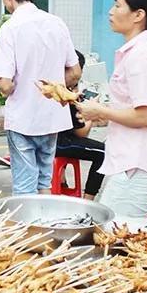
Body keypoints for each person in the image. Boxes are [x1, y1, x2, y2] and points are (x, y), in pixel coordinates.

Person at [76, 0, 147, 217]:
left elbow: (145, 115)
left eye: (118, 5)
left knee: (116, 236)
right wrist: (102, 112)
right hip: (131, 162)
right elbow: (132, 107)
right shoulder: (138, 51)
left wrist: (101, 112)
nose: (111, 11)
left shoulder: (142, 56)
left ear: (138, 14)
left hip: (138, 165)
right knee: (115, 235)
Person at [0, 0, 81, 195]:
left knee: (24, 186)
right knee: (44, 182)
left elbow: (6, 86)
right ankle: (45, 226)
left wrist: (1, 83)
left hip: (23, 118)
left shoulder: (9, 29)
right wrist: (55, 87)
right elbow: (75, 72)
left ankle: (28, 229)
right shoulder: (57, 23)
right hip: (51, 118)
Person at [56, 50, 105, 199]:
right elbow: (81, 133)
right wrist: (91, 112)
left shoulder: (54, 87)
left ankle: (61, 182)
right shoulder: (66, 94)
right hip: (60, 144)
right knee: (105, 153)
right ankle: (88, 200)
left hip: (47, 139)